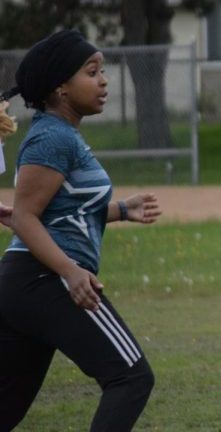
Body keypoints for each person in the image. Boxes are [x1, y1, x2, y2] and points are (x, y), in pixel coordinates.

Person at [0, 29, 162, 432]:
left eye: (102, 71)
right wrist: (71, 272)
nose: (104, 80)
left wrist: (122, 210)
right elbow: (25, 217)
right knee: (131, 377)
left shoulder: (61, 135)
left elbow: (61, 211)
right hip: (45, 280)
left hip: (26, 283)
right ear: (61, 88)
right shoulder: (53, 137)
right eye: (92, 72)